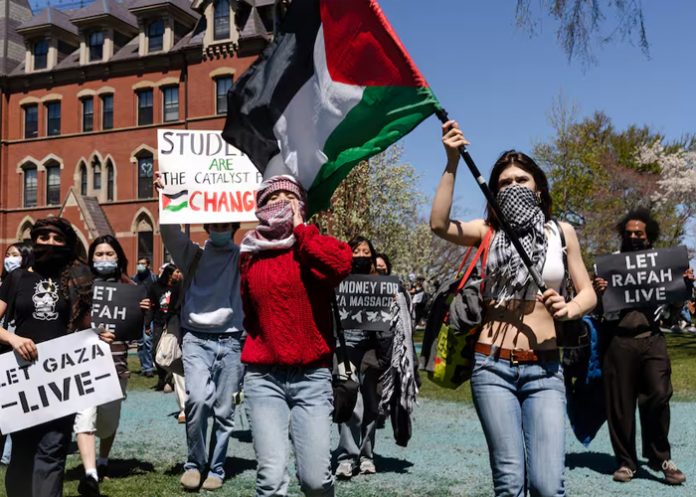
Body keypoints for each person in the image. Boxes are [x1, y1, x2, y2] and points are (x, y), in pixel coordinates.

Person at [430, 121, 596, 497]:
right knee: (510, 484)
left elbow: (588, 293)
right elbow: (439, 224)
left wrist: (569, 309)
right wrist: (451, 162)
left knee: (547, 485)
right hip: (492, 367)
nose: (513, 186)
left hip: (545, 368)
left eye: (522, 179)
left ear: (539, 187)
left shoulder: (561, 233)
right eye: (504, 183)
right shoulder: (488, 233)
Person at [240, 175, 352, 497]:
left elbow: (341, 264)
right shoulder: (250, 253)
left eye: (289, 197)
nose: (281, 204)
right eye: (272, 198)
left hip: (311, 378)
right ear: (260, 207)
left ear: (301, 204)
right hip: (263, 379)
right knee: (271, 479)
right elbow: (250, 313)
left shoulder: (312, 246)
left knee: (315, 480)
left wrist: (302, 229)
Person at [0, 217, 110, 497]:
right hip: (21, 382)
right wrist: (13, 339)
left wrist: (99, 335)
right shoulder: (16, 279)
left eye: (57, 239)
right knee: (22, 455)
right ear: (34, 240)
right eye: (44, 237)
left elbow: (87, 325)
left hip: (61, 382)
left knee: (52, 452)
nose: (50, 243)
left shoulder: (77, 279)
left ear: (67, 244)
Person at [156, 173, 245, 492]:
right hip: (195, 340)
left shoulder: (242, 256)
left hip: (232, 341)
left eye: (225, 225)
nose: (220, 230)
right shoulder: (193, 255)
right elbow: (168, 231)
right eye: (215, 225)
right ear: (206, 227)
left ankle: (216, 467)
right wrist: (165, 197)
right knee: (197, 402)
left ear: (233, 227)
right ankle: (194, 464)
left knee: (224, 409)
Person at [593, 209, 687, 485]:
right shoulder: (608, 268)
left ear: (649, 237)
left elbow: (673, 309)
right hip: (618, 341)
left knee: (659, 394)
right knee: (620, 406)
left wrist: (684, 286)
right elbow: (596, 310)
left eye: (639, 233)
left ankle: (660, 457)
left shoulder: (664, 267)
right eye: (629, 233)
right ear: (623, 236)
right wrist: (598, 293)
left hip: (652, 339)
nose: (633, 237)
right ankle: (626, 461)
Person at [74, 235, 151, 497]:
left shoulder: (129, 287)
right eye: (99, 254)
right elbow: (69, 323)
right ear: (91, 257)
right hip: (83, 363)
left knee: (108, 422)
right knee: (84, 416)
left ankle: (103, 458)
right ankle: (90, 473)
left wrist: (143, 311)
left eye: (109, 254)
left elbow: (138, 328)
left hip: (115, 364)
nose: (104, 258)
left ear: (118, 257)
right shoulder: (81, 288)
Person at [335, 236, 392, 479]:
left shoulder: (382, 285)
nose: (360, 254)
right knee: (347, 397)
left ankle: (367, 455)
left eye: (365, 251)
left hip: (372, 351)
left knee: (370, 403)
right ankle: (346, 457)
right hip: (345, 350)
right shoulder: (338, 281)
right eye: (355, 250)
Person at [0, 241, 33, 464]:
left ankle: (9, 454)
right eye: (7, 254)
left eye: (15, 254)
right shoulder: (5, 283)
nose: (10, 259)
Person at [147, 264, 183, 392]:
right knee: (156, 351)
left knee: (171, 350)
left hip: (173, 323)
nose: (179, 274)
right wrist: (147, 324)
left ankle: (168, 379)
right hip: (158, 323)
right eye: (177, 271)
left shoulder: (179, 286)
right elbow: (151, 306)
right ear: (169, 273)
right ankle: (162, 376)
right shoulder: (156, 287)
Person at [132, 256, 157, 378]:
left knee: (148, 341)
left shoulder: (153, 279)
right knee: (141, 343)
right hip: (137, 315)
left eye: (142, 264)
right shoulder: (134, 279)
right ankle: (144, 367)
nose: (140, 266)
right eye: (138, 263)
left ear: (148, 265)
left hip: (150, 315)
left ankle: (148, 368)